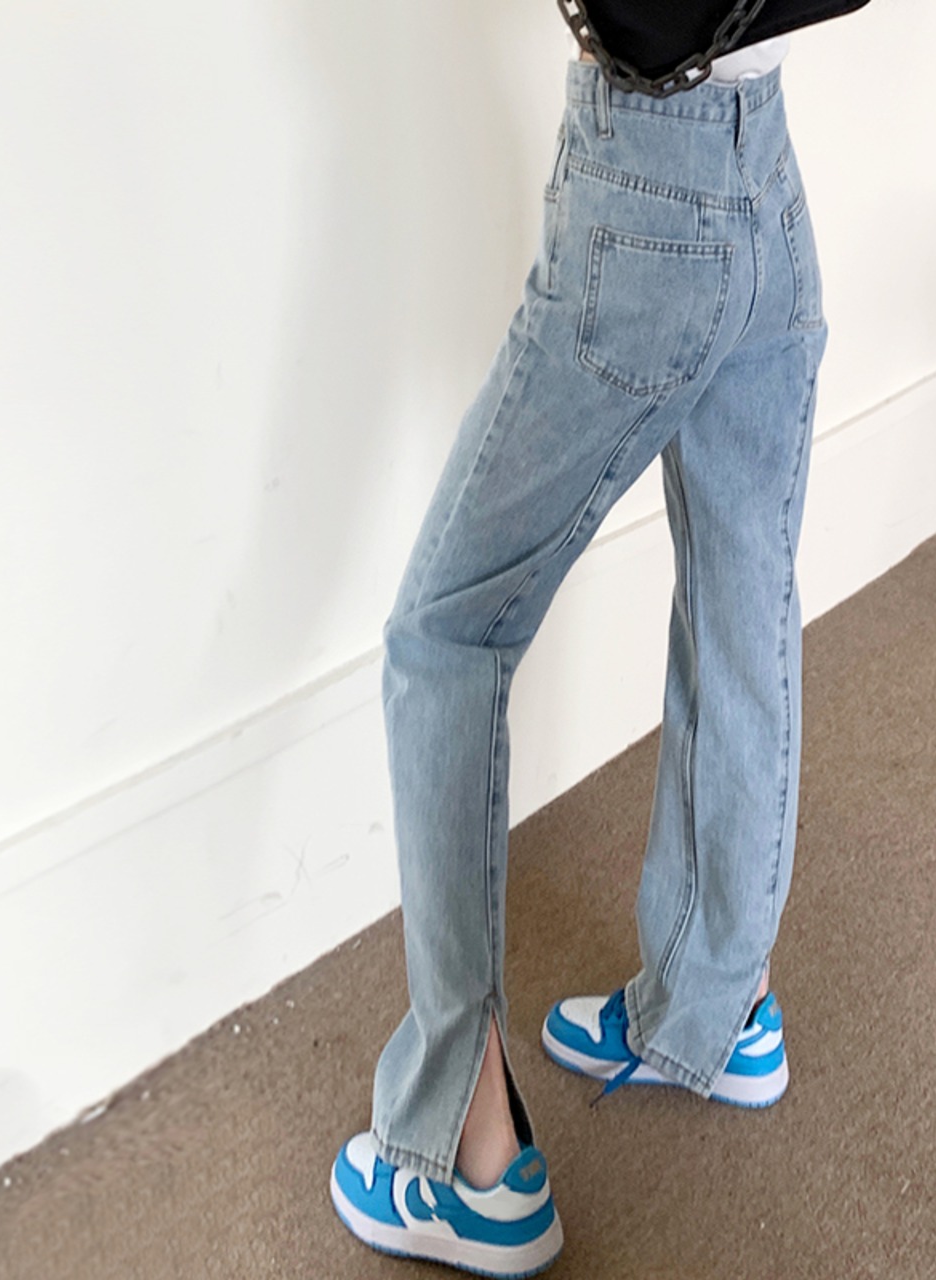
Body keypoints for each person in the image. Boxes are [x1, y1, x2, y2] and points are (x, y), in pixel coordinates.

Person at [329, 25, 826, 1277]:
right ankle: (715, 1005)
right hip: (767, 174)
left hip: (648, 184)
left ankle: (462, 1156)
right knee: (742, 591)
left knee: (444, 632)